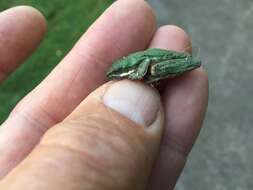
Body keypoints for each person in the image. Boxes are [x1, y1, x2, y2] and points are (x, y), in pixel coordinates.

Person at [0, 0, 208, 189]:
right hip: (153, 57)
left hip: (158, 61)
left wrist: (136, 75)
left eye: (118, 74)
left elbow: (143, 63)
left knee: (151, 71)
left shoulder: (132, 68)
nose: (116, 77)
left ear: (122, 71)